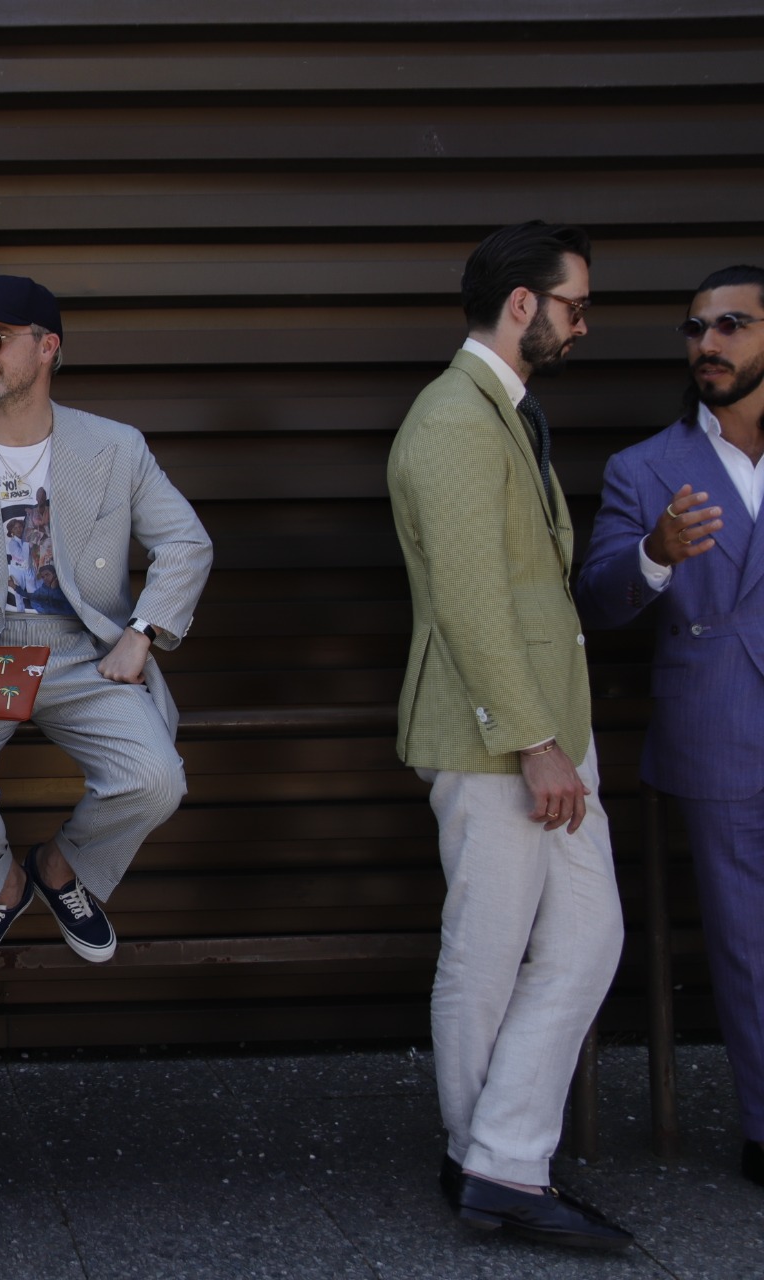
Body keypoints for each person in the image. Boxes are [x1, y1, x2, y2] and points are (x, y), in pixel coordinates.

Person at [387, 221, 632, 1249]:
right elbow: (471, 599)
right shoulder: (454, 418)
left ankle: (497, 1151)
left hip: (546, 727)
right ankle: (491, 1163)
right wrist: (534, 741)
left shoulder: (503, 410)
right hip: (497, 736)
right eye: (575, 305)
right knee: (485, 952)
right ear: (523, 303)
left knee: (588, 936)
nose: (583, 324)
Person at [0, 275, 211, 982]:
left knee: (155, 780)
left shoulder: (116, 448)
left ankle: (61, 867)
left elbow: (186, 543)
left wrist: (141, 633)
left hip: (83, 653)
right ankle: (2, 886)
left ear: (48, 346)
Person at [574, 263, 764, 1191]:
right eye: (695, 328)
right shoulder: (644, 468)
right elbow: (597, 598)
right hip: (717, 723)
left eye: (731, 325)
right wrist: (654, 553)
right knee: (746, 941)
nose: (707, 344)